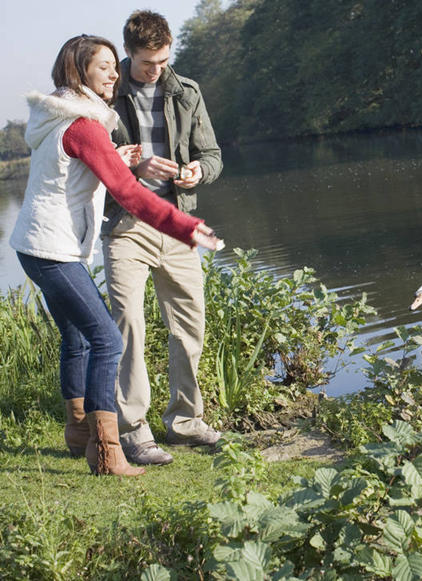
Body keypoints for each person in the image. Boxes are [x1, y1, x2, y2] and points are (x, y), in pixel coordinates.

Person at [9, 34, 222, 477]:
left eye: (113, 65)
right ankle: (107, 451)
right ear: (79, 73)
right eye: (104, 66)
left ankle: (78, 433)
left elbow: (80, 165)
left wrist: (114, 157)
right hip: (52, 248)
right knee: (108, 338)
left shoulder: (61, 115)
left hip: (37, 244)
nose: (114, 72)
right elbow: (127, 193)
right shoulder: (86, 125)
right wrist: (188, 227)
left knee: (79, 338)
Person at [101, 10, 223, 465]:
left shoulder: (186, 91)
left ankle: (186, 423)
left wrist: (197, 172)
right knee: (128, 323)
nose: (158, 70)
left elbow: (212, 155)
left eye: (164, 60)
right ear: (129, 53)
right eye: (149, 62)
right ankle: (134, 430)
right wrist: (132, 165)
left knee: (190, 324)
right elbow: (87, 158)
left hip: (177, 222)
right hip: (126, 225)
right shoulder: (107, 96)